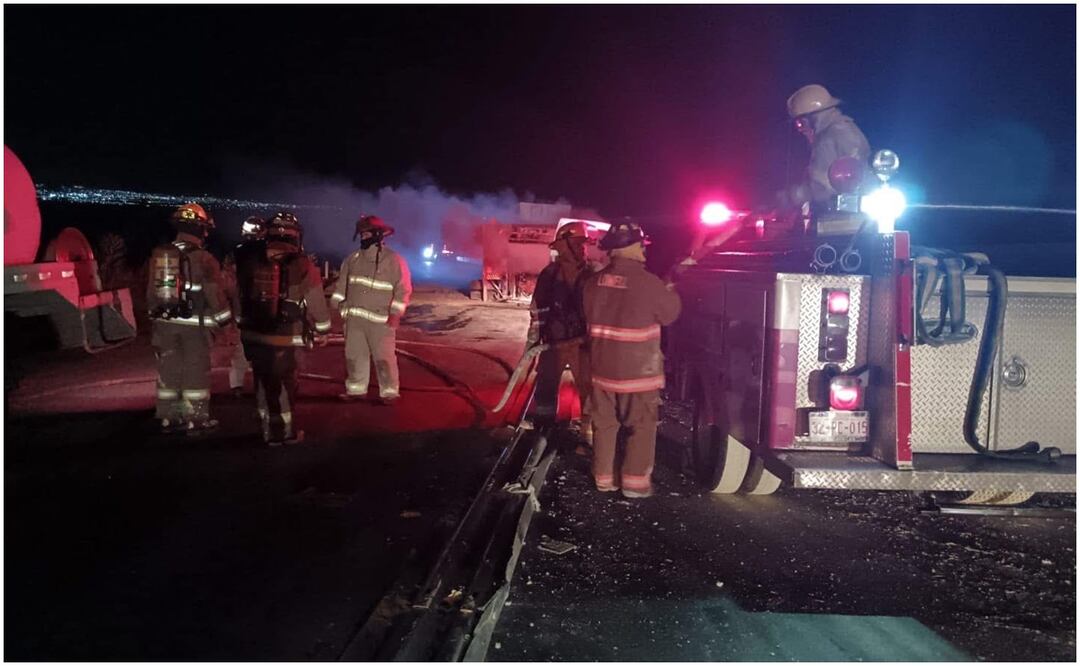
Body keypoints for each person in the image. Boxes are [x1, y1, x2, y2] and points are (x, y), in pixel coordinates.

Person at [581, 221, 681, 499]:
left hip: (601, 372)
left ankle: (603, 480)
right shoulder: (650, 283)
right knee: (641, 427)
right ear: (631, 247)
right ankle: (635, 486)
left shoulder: (592, 284)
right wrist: (669, 289)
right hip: (638, 375)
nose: (644, 250)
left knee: (605, 425)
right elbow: (670, 314)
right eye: (641, 245)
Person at [236, 212, 331, 446]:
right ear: (295, 236)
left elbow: (238, 294)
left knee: (262, 379)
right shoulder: (303, 265)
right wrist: (322, 330)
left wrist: (242, 323)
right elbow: (317, 304)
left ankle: (266, 427)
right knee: (284, 384)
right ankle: (284, 433)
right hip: (285, 337)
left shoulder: (249, 258)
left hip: (253, 333)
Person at [146, 203, 232, 434]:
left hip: (165, 325)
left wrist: (156, 322)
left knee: (169, 371)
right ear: (201, 229)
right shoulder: (204, 259)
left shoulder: (161, 254)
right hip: (195, 328)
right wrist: (225, 323)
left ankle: (169, 418)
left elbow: (151, 295)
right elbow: (216, 296)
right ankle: (196, 419)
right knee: (195, 372)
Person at [331, 214, 412, 404]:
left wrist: (395, 314)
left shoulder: (394, 260)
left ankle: (390, 393)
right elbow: (341, 288)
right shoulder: (352, 260)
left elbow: (403, 290)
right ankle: (356, 391)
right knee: (354, 357)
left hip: (381, 321)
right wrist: (337, 307)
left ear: (377, 234)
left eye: (366, 234)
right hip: (354, 321)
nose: (363, 238)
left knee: (383, 358)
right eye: (361, 234)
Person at [527, 221, 593, 438]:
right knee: (546, 383)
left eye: (584, 243)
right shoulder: (550, 274)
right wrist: (534, 340)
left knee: (589, 387)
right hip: (553, 341)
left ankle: (589, 432)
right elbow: (538, 309)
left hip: (583, 343)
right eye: (578, 242)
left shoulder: (593, 274)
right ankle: (544, 427)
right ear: (564, 245)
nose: (584, 248)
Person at [780, 84, 871, 211]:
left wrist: (789, 197)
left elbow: (821, 188)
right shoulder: (848, 130)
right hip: (860, 212)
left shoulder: (827, 140)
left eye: (800, 122)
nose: (800, 129)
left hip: (838, 217)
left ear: (812, 118)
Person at [225, 216, 266, 396]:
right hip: (263, 309)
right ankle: (262, 385)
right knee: (263, 350)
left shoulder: (236, 252)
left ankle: (236, 385)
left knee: (241, 349)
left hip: (242, 309)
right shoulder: (267, 253)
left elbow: (229, 282)